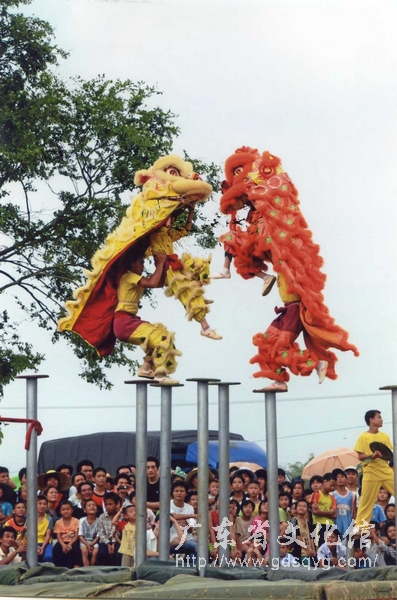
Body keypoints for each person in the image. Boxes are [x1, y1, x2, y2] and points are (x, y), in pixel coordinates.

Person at [148, 206, 222, 340]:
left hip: (176, 264)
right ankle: (206, 328)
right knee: (187, 291)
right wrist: (168, 215)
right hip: (167, 270)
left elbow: (185, 230)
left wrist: (191, 210)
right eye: (170, 219)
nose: (172, 222)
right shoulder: (153, 234)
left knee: (200, 264)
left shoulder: (168, 235)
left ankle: (198, 288)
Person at [113, 248, 181, 384]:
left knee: (153, 342)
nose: (142, 266)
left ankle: (146, 367)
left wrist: (161, 264)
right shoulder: (129, 276)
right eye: (140, 263)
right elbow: (152, 282)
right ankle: (160, 374)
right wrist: (160, 264)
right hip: (124, 323)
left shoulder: (132, 278)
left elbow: (159, 282)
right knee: (162, 336)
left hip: (127, 321)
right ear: (131, 264)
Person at [354, 410, 394, 528]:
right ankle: (361, 528)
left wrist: (381, 454)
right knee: (366, 501)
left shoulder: (384, 436)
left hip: (386, 471)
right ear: (371, 420)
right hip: (370, 472)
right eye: (379, 417)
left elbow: (388, 454)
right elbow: (360, 456)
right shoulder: (363, 437)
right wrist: (372, 455)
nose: (381, 419)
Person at [169, 481, 198, 559]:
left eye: (182, 491)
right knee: (194, 546)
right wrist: (193, 515)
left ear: (186, 493)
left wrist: (186, 524)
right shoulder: (168, 504)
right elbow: (174, 516)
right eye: (176, 491)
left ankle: (198, 570)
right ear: (173, 493)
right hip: (171, 537)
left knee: (192, 555)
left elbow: (191, 530)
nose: (179, 493)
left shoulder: (190, 508)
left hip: (187, 538)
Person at [53, 501, 81, 568]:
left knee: (76, 548)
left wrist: (69, 544)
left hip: (73, 541)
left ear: (72, 510)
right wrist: (63, 545)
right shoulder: (58, 522)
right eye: (63, 509)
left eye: (68, 509)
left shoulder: (76, 521)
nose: (66, 511)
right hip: (62, 541)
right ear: (60, 511)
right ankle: (58, 567)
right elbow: (58, 535)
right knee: (56, 548)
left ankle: (76, 566)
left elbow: (77, 535)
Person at [311, 472, 337, 547]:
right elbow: (315, 511)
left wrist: (320, 511)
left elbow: (335, 515)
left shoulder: (332, 498)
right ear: (324, 482)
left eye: (334, 486)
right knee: (320, 548)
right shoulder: (316, 495)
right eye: (331, 485)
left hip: (330, 526)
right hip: (318, 525)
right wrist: (329, 512)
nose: (333, 488)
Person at [97, 493, 122, 566]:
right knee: (102, 553)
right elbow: (101, 533)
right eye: (106, 504)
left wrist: (114, 543)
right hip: (105, 541)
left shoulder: (121, 517)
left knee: (118, 554)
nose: (108, 507)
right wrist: (108, 544)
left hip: (117, 541)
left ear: (117, 504)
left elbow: (118, 532)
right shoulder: (102, 516)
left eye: (110, 504)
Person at [289, 499, 316, 565]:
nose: (301, 508)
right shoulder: (293, 521)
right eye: (299, 506)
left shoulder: (308, 522)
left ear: (307, 509)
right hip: (299, 552)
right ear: (296, 509)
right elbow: (297, 537)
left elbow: (311, 538)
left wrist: (313, 550)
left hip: (309, 552)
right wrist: (307, 550)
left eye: (304, 506)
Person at [331, 468, 356, 537]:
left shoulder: (353, 495)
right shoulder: (331, 495)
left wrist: (353, 527)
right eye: (337, 477)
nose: (339, 479)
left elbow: (354, 513)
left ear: (347, 480)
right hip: (335, 527)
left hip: (348, 527)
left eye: (342, 477)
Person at [78, 499, 99, 566]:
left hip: (94, 541)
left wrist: (92, 544)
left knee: (95, 552)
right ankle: (86, 569)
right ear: (85, 510)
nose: (92, 507)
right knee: (84, 551)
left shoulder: (99, 521)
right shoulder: (81, 520)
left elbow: (98, 536)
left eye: (94, 505)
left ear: (97, 509)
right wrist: (87, 545)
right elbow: (80, 535)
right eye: (89, 505)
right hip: (84, 541)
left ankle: (91, 568)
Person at [37, 495, 53, 562]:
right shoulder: (30, 517)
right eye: (40, 503)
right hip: (33, 543)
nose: (42, 506)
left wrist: (43, 547)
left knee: (48, 557)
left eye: (44, 504)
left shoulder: (49, 519)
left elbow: (48, 535)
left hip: (45, 542)